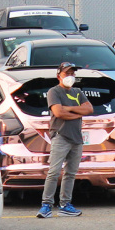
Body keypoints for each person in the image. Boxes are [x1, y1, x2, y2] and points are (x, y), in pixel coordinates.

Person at [36, 62, 91, 219]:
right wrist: (77, 113)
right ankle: (46, 205)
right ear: (59, 76)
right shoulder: (54, 92)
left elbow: (89, 109)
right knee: (54, 172)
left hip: (76, 138)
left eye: (72, 73)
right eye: (67, 73)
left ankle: (65, 205)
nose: (70, 76)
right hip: (61, 136)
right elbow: (59, 113)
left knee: (70, 173)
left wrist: (69, 109)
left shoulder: (77, 92)